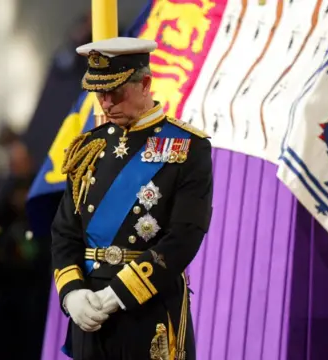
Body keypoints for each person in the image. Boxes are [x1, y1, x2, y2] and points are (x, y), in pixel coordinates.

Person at [51, 36, 213, 360]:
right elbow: (65, 232)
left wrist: (119, 293)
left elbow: (183, 237)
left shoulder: (187, 148)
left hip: (148, 309)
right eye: (100, 92)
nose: (106, 103)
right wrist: (72, 294)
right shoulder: (88, 148)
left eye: (116, 91)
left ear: (146, 83)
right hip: (90, 311)